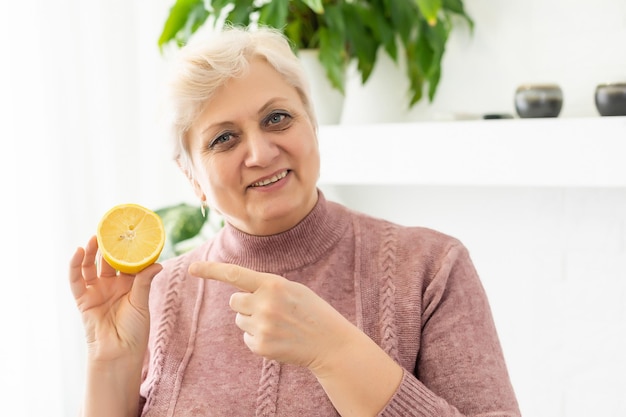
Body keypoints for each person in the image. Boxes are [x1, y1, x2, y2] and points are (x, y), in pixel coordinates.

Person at [69, 25, 521, 417]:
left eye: (278, 118)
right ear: (193, 180)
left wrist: (337, 351)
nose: (261, 153)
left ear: (312, 127)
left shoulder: (431, 267)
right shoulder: (159, 292)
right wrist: (109, 362)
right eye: (224, 139)